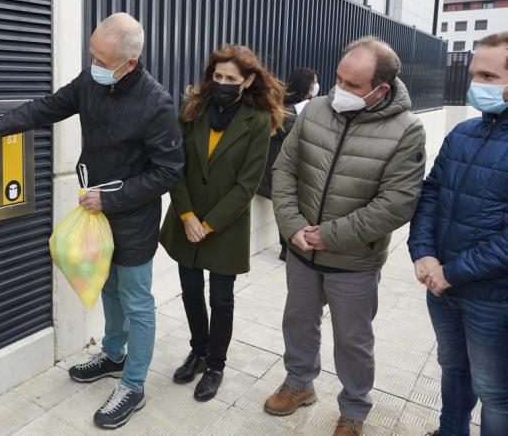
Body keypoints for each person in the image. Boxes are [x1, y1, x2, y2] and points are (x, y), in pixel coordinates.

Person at [0, 13, 184, 430]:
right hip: (96, 214)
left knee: (136, 300)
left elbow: (168, 171)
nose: (91, 63)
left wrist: (110, 198)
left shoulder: (157, 103)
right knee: (107, 287)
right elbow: (45, 108)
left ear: (129, 63)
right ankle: (113, 354)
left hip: (131, 218)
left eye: (100, 58)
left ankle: (133, 384)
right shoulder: (92, 82)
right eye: (90, 53)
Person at [267, 36, 426, 436]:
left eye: (353, 85)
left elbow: (396, 203)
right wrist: (291, 226)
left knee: (353, 341)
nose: (341, 91)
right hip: (303, 251)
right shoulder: (315, 110)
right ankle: (299, 384)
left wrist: (330, 236)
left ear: (381, 90)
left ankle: (353, 410)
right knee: (298, 323)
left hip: (354, 260)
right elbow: (285, 170)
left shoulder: (407, 130)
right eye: (339, 79)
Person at [159, 44, 285, 401]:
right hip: (186, 219)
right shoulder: (194, 109)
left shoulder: (259, 120)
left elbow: (247, 184)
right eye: (217, 76)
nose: (222, 83)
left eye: (231, 78)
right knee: (190, 292)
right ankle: (198, 351)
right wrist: (186, 215)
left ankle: (215, 365)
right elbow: (175, 166)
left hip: (224, 226)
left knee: (222, 299)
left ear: (247, 81)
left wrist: (208, 224)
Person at [408, 31, 508, 436]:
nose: (474, 85)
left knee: (494, 391)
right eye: (474, 75)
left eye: (487, 76)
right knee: (453, 370)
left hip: (492, 298)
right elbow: (431, 192)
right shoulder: (463, 134)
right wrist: (424, 253)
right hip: (444, 287)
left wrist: (453, 271)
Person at [257, 68, 319, 261]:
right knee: (288, 206)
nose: (317, 86)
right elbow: (297, 140)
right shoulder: (287, 111)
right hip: (281, 171)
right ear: (306, 85)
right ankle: (288, 246)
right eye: (314, 82)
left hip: (295, 171)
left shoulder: (307, 107)